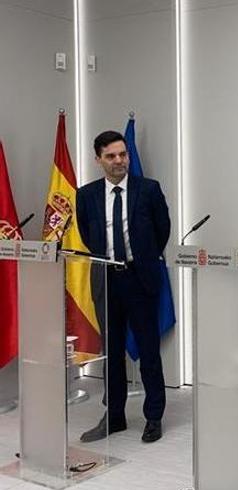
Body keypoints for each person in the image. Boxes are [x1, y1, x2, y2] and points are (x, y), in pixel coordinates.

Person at [76, 130, 170, 443]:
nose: (119, 161)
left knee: (148, 350)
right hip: (106, 280)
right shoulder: (86, 195)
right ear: (98, 160)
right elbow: (89, 237)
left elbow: (162, 231)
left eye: (123, 154)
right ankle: (114, 416)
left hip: (139, 278)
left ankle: (153, 416)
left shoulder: (149, 189)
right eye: (111, 156)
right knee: (112, 351)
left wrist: (140, 259)